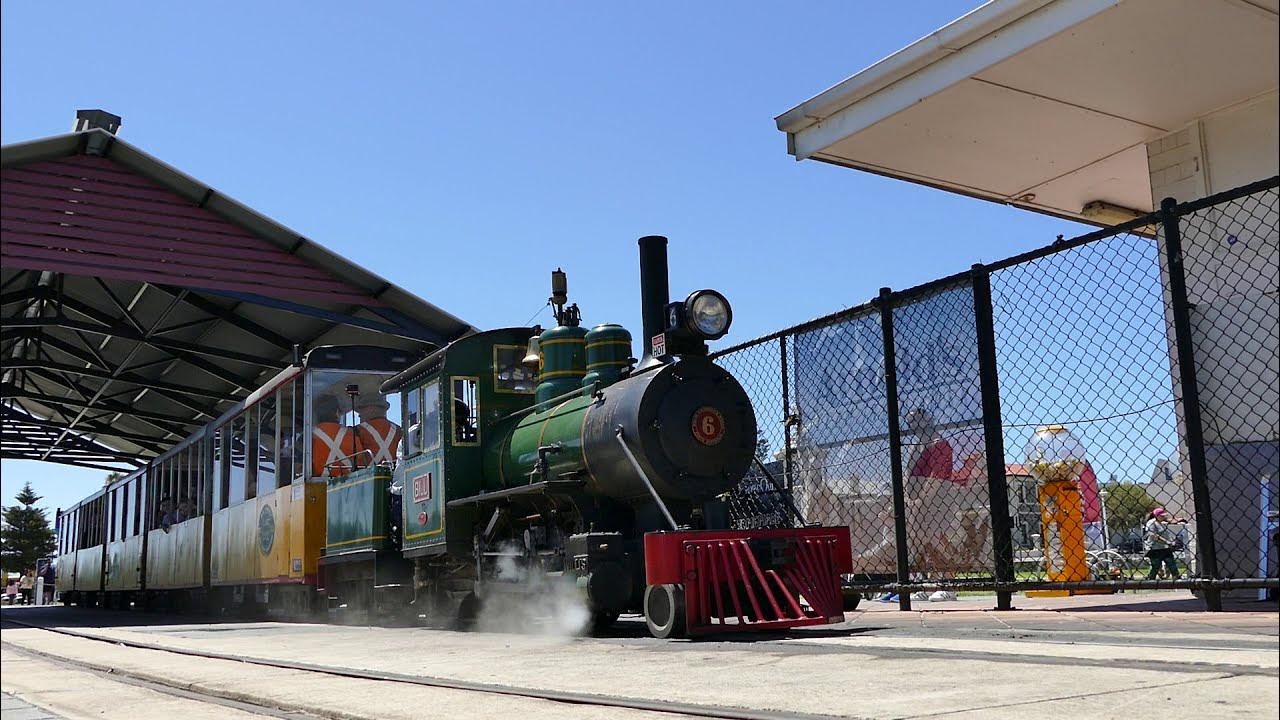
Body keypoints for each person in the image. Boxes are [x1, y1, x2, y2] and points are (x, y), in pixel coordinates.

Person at [312, 394, 356, 477]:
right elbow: (360, 461)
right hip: (351, 482)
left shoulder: (308, 436)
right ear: (336, 412)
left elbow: (299, 467)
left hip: (318, 482)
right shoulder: (352, 434)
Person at [355, 395, 402, 465]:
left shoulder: (358, 430)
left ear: (371, 409)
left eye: (361, 410)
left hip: (368, 471)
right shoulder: (399, 430)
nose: (359, 415)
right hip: (397, 470)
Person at [1144, 507, 1188, 579]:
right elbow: (1153, 536)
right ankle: (1151, 578)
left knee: (1171, 563)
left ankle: (1176, 576)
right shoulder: (1151, 523)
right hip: (1155, 549)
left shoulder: (1162, 522)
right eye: (1162, 516)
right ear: (1157, 516)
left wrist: (1180, 520)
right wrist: (1167, 542)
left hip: (1164, 548)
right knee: (1156, 566)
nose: (1163, 517)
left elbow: (1171, 521)